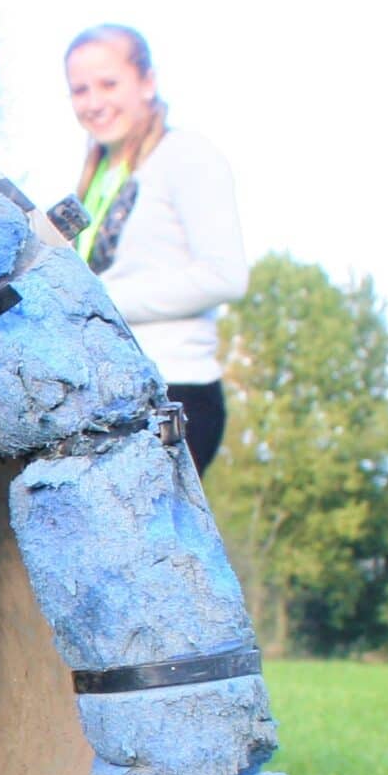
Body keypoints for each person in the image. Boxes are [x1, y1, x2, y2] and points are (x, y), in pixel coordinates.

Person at [63, 24, 247, 474]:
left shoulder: (186, 156)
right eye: (79, 90)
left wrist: (103, 301)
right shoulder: (101, 175)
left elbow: (226, 275)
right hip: (109, 392)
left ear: (147, 82)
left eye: (109, 83)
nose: (94, 102)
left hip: (174, 393)